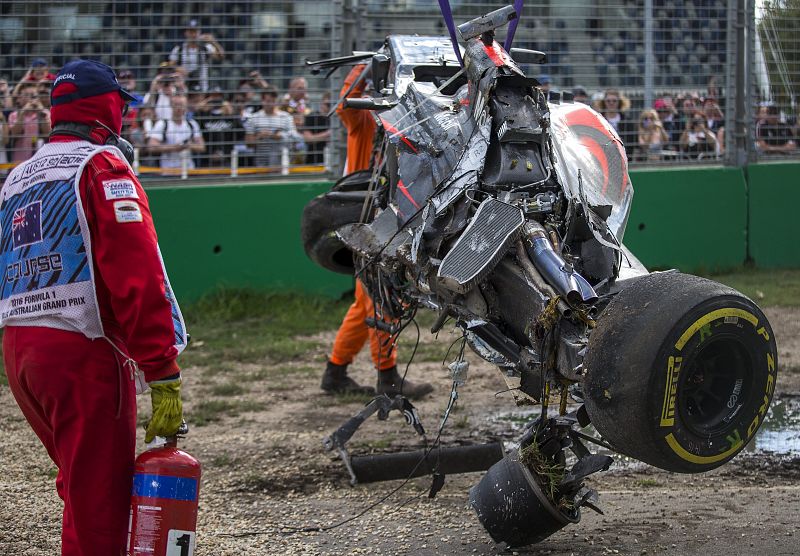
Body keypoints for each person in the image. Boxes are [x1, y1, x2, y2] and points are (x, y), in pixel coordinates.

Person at [0, 59, 187, 556]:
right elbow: (136, 274)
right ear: (107, 110)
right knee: (100, 507)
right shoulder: (102, 167)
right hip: (81, 351)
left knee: (79, 486)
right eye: (122, 107)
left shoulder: (17, 177)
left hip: (20, 350)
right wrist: (161, 370)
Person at [321, 64, 433, 399]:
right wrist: (368, 66)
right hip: (363, 218)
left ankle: (335, 371)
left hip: (387, 218)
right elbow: (347, 103)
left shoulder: (408, 127)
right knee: (377, 297)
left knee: (365, 301)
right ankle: (387, 377)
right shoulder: (365, 122)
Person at [243, 85, 299, 168]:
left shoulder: (286, 117)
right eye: (268, 101)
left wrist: (280, 136)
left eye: (273, 101)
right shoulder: (253, 118)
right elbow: (248, 144)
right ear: (262, 100)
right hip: (261, 166)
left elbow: (296, 139)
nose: (271, 104)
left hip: (283, 165)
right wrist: (259, 137)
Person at [148, 94, 206, 174]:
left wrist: (188, 145)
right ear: (171, 105)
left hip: (189, 170)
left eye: (181, 105)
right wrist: (174, 148)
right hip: (168, 171)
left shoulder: (192, 124)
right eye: (176, 105)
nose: (179, 108)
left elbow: (202, 146)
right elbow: (151, 146)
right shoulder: (162, 124)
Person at [168, 19, 224, 92]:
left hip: (202, 86)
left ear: (199, 33)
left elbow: (221, 57)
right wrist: (177, 68)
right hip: (184, 86)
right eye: (191, 32)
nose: (193, 35)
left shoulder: (205, 48)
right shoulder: (179, 49)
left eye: (195, 32)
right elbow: (170, 65)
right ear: (186, 33)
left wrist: (213, 42)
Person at [7, 81, 51, 163]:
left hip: (40, 160)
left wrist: (41, 112)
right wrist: (23, 113)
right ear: (19, 98)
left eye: (33, 95)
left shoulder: (45, 113)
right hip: (19, 161)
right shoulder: (14, 115)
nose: (31, 98)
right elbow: (14, 133)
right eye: (27, 95)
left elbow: (48, 134)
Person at [595, 88, 635, 158]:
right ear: (604, 102)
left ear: (619, 102)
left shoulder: (627, 121)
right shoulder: (599, 120)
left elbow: (632, 142)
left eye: (614, 101)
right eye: (608, 101)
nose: (611, 103)